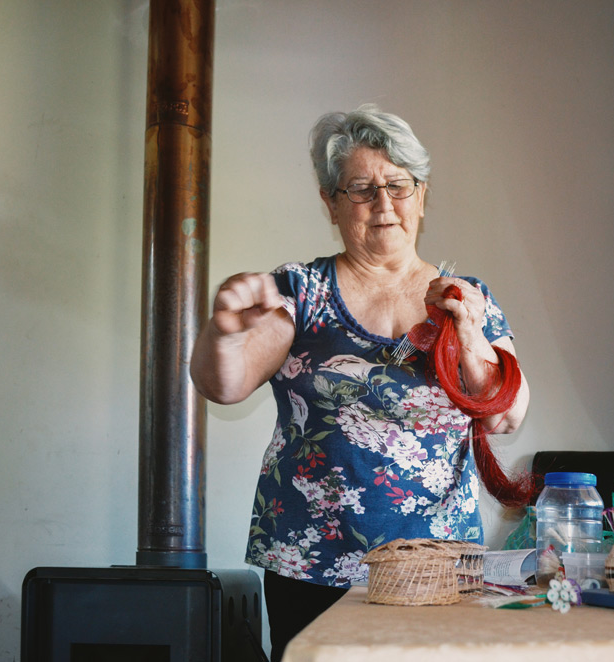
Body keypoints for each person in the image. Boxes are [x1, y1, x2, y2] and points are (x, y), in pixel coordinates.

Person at [190, 105, 530, 661]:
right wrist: (224, 330)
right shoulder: (298, 292)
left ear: (422, 195)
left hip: (436, 566)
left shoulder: (469, 297)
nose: (384, 204)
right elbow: (223, 385)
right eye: (361, 188)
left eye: (399, 185)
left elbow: (504, 414)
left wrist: (467, 331)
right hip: (312, 559)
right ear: (330, 201)